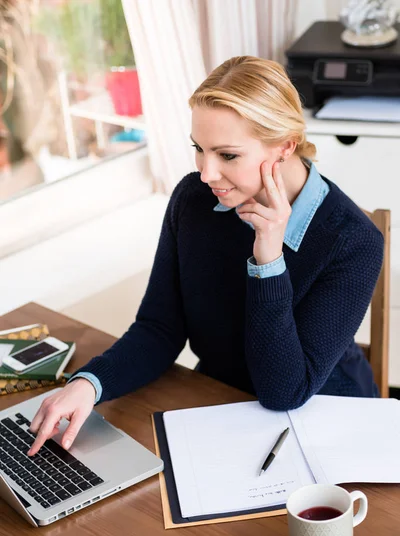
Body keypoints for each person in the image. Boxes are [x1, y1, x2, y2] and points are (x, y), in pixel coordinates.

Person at [28, 56, 383, 457]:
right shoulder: (193, 201)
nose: (206, 173)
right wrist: (88, 384)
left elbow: (285, 391)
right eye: (200, 149)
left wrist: (268, 260)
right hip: (220, 404)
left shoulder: (353, 240)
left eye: (227, 156)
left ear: (285, 146)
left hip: (324, 419)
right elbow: (159, 329)